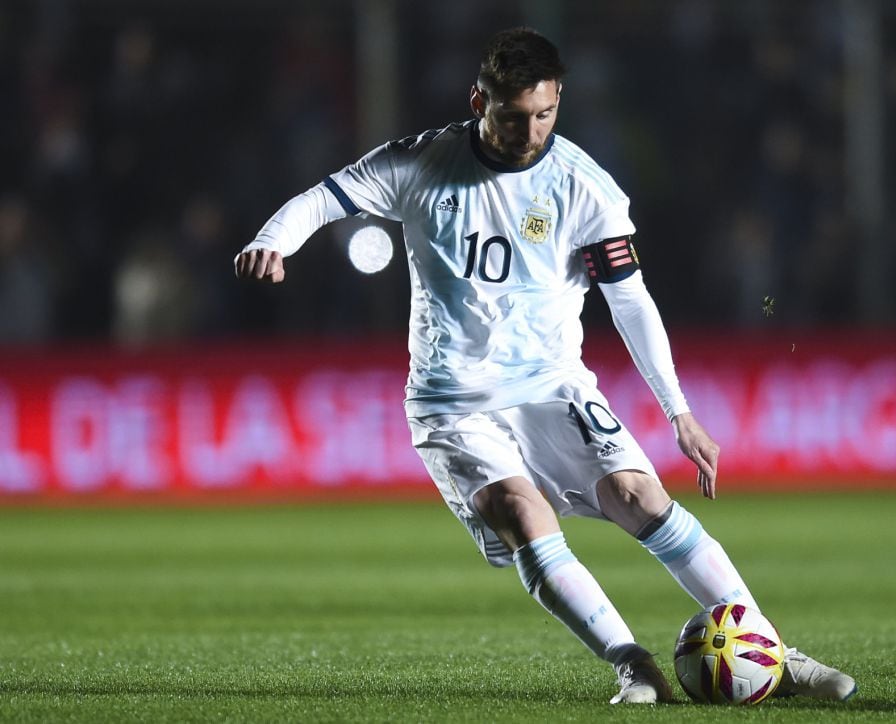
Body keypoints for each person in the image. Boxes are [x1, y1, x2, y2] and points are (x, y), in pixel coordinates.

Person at [235, 27, 856, 705]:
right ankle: (634, 666)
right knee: (522, 512)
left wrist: (678, 411)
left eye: (545, 114)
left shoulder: (581, 185)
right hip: (454, 401)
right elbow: (327, 196)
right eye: (513, 116)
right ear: (479, 100)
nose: (531, 131)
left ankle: (770, 650)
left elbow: (630, 300)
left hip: (552, 386)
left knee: (640, 496)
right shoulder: (421, 164)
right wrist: (274, 239)